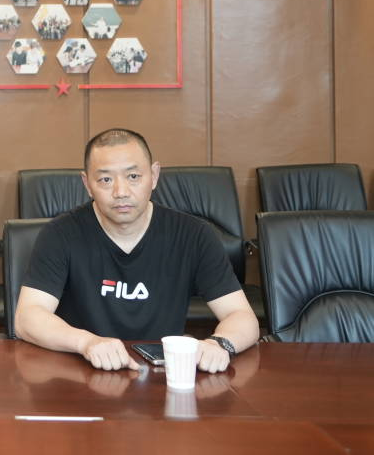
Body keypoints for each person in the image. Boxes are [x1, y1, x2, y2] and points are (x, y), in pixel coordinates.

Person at [15, 128, 258, 373]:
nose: (121, 192)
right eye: (105, 180)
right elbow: (28, 317)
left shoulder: (194, 235)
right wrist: (86, 343)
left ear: (154, 175)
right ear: (87, 184)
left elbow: (241, 316)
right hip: (81, 372)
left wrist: (218, 344)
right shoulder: (60, 234)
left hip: (162, 374)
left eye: (133, 176)